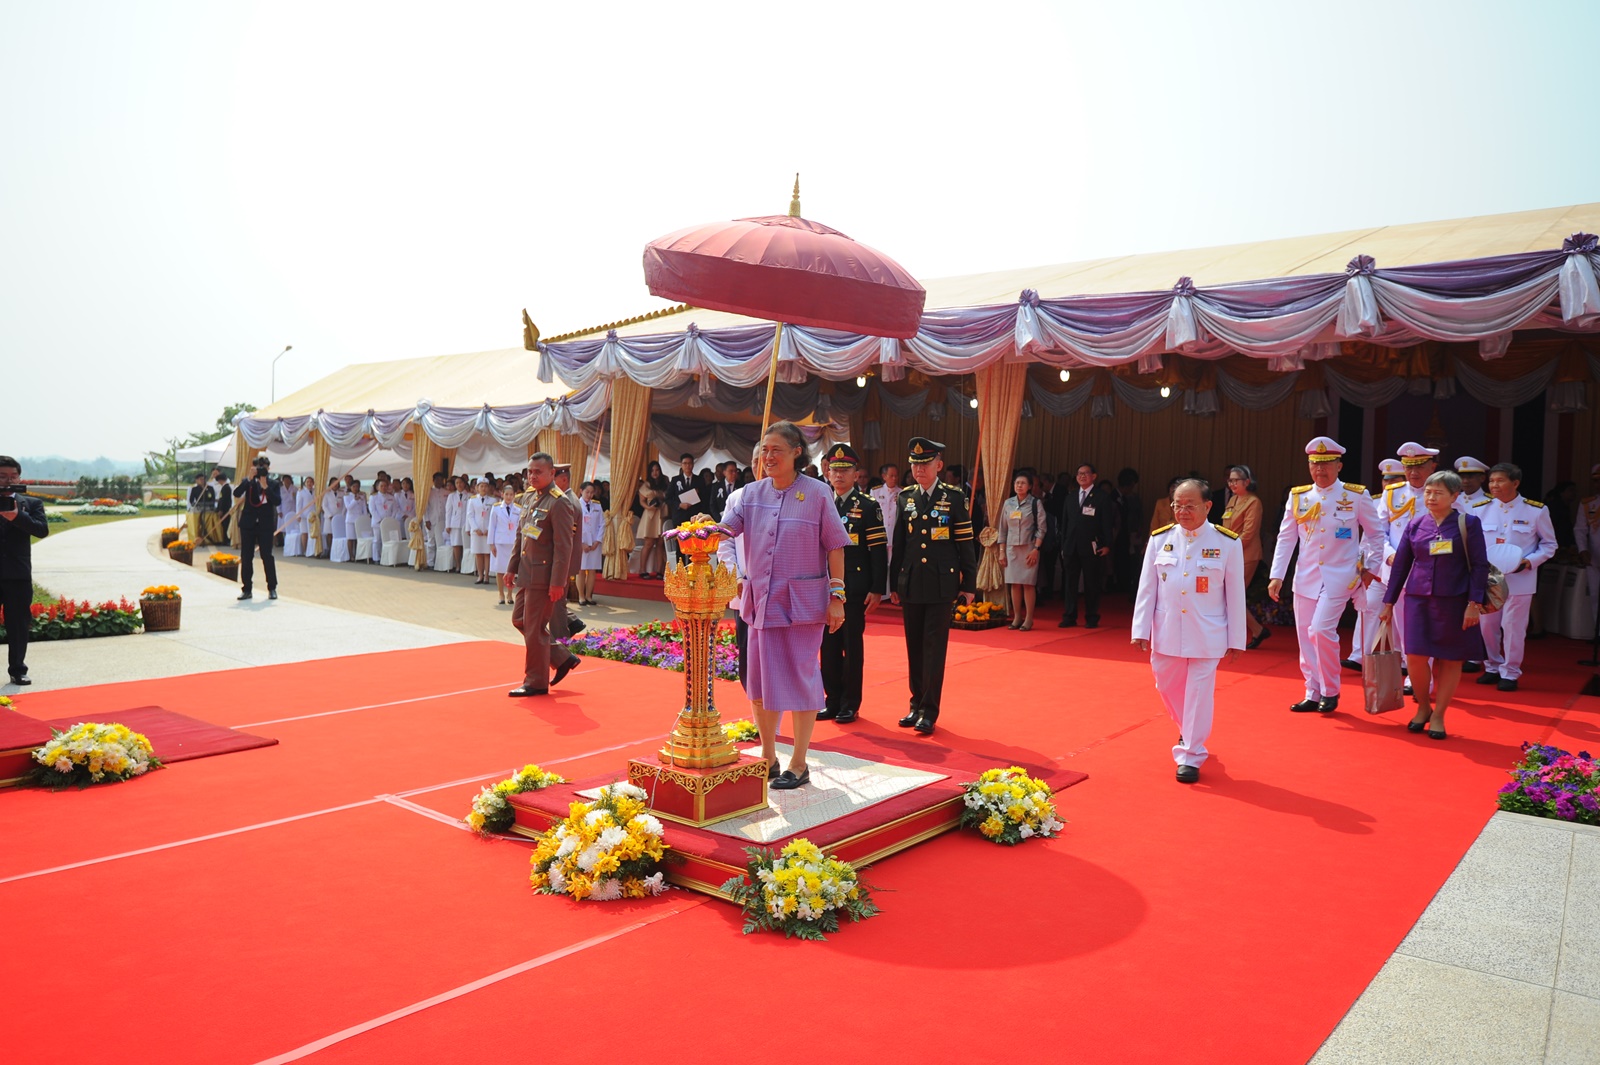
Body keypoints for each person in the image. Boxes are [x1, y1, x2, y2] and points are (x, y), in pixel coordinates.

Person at [719, 422, 850, 787]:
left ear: (796, 452)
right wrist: (702, 527)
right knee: (759, 683)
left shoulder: (818, 493)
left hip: (803, 605)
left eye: (776, 449)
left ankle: (799, 761)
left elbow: (835, 545)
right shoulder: (749, 494)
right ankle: (768, 755)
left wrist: (837, 596)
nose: (768, 456)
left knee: (802, 678)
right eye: (764, 449)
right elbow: (725, 530)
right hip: (759, 604)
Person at [1132, 478, 1247, 783]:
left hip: (1207, 633)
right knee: (1166, 685)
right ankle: (1190, 729)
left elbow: (1235, 596)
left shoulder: (1227, 542)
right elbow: (1147, 588)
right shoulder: (1160, 539)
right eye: (1177, 505)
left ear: (1207, 506)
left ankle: (1191, 754)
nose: (1182, 511)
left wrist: (1237, 639)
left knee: (1198, 693)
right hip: (1167, 629)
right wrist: (1140, 629)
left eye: (1189, 505)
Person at [1268, 437, 1384, 714]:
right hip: (1306, 575)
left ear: (1339, 465)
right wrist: (1277, 575)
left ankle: (1330, 690)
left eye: (1327, 464)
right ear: (1309, 466)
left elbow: (1376, 534)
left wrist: (1371, 568)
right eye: (1315, 464)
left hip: (1340, 575)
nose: (1321, 469)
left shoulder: (1356, 495)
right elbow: (1286, 539)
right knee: (1305, 635)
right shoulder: (1299, 496)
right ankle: (1312, 690)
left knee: (1320, 630)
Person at [1380, 470, 1488, 740]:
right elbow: (1401, 565)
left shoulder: (1468, 523)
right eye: (1428, 492)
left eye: (1438, 492)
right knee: (1415, 656)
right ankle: (1424, 708)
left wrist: (1474, 603)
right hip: (1418, 599)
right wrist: (1389, 601)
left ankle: (1440, 713)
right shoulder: (1416, 524)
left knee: (1451, 659)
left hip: (1454, 600)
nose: (1431, 497)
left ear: (1454, 496)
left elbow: (1479, 566)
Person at [888, 436, 978, 736]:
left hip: (942, 583)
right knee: (913, 646)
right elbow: (899, 543)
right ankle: (915, 703)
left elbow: (965, 543)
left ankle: (930, 710)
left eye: (924, 464)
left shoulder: (953, 498)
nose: (918, 469)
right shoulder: (906, 497)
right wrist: (894, 583)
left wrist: (969, 584)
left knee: (933, 648)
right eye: (914, 464)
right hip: (912, 582)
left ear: (938, 465)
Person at [1350, 443, 1436, 677]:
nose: (1413, 473)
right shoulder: (1392, 493)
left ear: (1432, 467)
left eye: (1419, 466)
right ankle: (1384, 664)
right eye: (1409, 467)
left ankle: (1419, 677)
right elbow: (1378, 532)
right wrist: (1388, 554)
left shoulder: (1439, 493)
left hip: (1425, 572)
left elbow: (1449, 534)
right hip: (1392, 571)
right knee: (1396, 623)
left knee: (1418, 626)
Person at [817, 444, 886, 724]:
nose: (840, 475)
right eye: (835, 470)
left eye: (846, 470)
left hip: (854, 588)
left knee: (851, 646)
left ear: (856, 474)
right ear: (828, 472)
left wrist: (878, 587)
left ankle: (850, 703)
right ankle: (831, 699)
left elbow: (878, 550)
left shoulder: (868, 506)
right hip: (823, 587)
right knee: (828, 647)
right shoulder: (822, 502)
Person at [1473, 462, 1557, 693]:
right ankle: (1492, 666)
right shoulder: (1480, 508)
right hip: (1489, 578)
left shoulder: (1536, 510)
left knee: (1513, 627)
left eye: (1499, 480)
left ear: (1515, 483)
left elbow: (1550, 544)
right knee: (1487, 626)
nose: (1494, 485)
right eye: (1491, 481)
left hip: (1520, 578)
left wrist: (1530, 561)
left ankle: (1510, 672)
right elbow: (1472, 542)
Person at [507, 453, 582, 697]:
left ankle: (535, 682)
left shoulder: (559, 502)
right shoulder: (529, 497)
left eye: (538, 472)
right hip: (526, 573)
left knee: (534, 627)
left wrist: (558, 583)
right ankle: (560, 657)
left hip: (544, 576)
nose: (532, 476)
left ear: (552, 474)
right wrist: (511, 567)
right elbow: (522, 535)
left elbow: (563, 547)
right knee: (519, 620)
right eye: (530, 471)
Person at [0, 457, 48, 686]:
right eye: (2, 477)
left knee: (18, 624)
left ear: (19, 478)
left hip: (18, 575)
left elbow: (41, 531)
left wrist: (18, 517)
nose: (8, 481)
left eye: (12, 476)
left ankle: (18, 670)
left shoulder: (32, 504)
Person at [1058, 462, 1111, 628]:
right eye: (1079, 473)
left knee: (1091, 583)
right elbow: (1064, 524)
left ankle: (1092, 617)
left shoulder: (1101, 497)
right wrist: (1063, 545)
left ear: (1094, 476)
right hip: (1071, 546)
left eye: (1086, 473)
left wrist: (1107, 544)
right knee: (1070, 583)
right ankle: (1069, 616)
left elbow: (1106, 524)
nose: (1082, 476)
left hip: (1091, 546)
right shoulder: (1071, 496)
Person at [1221, 465, 1268, 649]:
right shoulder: (1233, 499)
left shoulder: (1253, 502)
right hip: (1230, 553)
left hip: (1245, 554)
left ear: (1247, 482)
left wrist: (1228, 551)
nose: (1231, 484)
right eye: (1230, 480)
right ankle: (1256, 630)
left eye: (1235, 480)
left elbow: (1248, 534)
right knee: (1229, 595)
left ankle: (1247, 632)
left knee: (1231, 595)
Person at [998, 471, 1044, 630]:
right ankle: (1017, 617)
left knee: (1028, 584)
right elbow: (1002, 529)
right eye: (1017, 483)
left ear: (1030, 486)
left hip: (1029, 548)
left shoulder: (1035, 503)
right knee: (1014, 584)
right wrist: (1002, 551)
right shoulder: (1008, 503)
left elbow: (1042, 529)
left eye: (1023, 483)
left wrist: (1036, 548)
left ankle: (1029, 618)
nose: (1019, 486)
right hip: (1011, 548)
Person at [234, 456, 282, 601]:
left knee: (267, 556)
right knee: (246, 556)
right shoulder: (248, 482)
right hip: (248, 523)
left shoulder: (273, 483)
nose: (261, 469)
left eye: (264, 467)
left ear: (269, 468)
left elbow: (277, 501)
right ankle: (247, 589)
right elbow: (236, 493)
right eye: (259, 466)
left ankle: (272, 588)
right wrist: (249, 479)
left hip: (265, 524)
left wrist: (265, 486)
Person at [634, 461, 669, 579]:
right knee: (648, 543)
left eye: (657, 470)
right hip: (650, 515)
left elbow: (668, 496)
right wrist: (649, 507)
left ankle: (660, 570)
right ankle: (642, 569)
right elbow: (641, 501)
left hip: (662, 513)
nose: (655, 473)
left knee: (660, 543)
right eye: (653, 470)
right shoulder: (646, 485)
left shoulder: (665, 482)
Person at [488, 482, 522, 605]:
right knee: (500, 569)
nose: (508, 497)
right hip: (500, 542)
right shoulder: (496, 508)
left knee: (511, 569)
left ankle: (509, 594)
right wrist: (491, 543)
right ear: (502, 494)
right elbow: (492, 526)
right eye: (506, 494)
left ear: (514, 495)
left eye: (511, 494)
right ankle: (501, 593)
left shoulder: (518, 509)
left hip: (513, 543)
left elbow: (520, 527)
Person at [576, 480, 605, 605]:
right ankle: (581, 596)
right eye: (587, 492)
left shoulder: (597, 506)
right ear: (581, 491)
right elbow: (574, 526)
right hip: (581, 543)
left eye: (591, 492)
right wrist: (581, 543)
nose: (589, 495)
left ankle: (589, 596)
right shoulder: (576, 505)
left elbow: (602, 524)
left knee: (592, 570)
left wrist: (597, 541)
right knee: (581, 569)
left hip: (594, 543)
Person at [871, 463, 902, 572]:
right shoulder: (875, 492)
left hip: (895, 534)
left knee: (894, 567)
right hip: (880, 535)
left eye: (896, 475)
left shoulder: (902, 493)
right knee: (880, 567)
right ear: (884, 476)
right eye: (891, 475)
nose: (894, 478)